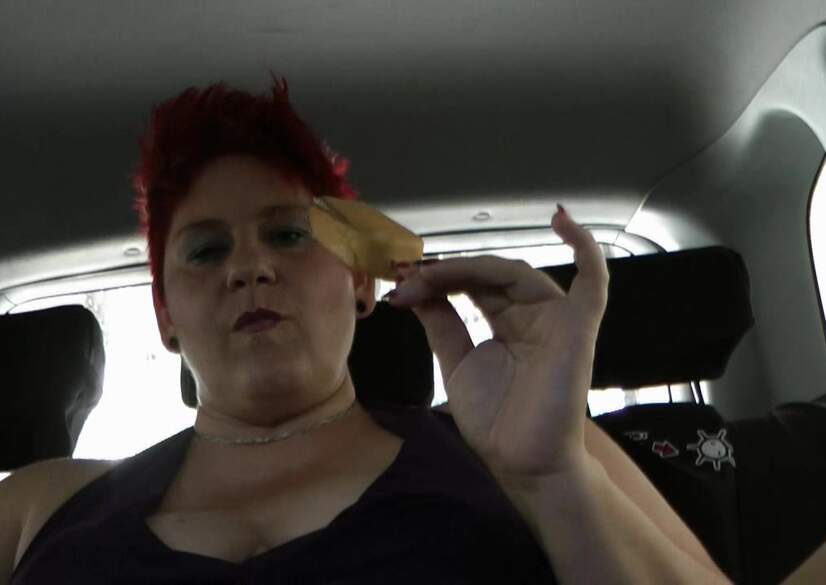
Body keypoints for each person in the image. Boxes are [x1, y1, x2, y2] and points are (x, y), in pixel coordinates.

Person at [0, 76, 728, 584]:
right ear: (165, 315)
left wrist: (556, 480)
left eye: (288, 235)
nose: (249, 267)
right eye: (207, 250)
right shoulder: (38, 506)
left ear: (358, 281)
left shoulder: (528, 447)